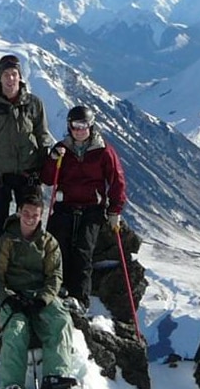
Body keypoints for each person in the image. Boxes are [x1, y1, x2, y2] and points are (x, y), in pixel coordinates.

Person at [0, 54, 54, 270]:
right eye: (6, 75)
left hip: (29, 173)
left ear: (20, 76)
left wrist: (48, 166)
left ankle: (31, 268)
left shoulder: (34, 104)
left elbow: (42, 134)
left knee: (31, 223)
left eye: (14, 74)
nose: (10, 79)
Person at [41, 105, 126, 312]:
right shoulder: (62, 149)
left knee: (83, 250)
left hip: (91, 208)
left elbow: (117, 180)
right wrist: (53, 160)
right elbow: (47, 178)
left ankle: (79, 298)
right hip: (65, 205)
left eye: (84, 125)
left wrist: (115, 210)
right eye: (75, 125)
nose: (79, 130)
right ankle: (57, 288)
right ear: (69, 126)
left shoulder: (103, 150)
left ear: (91, 125)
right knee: (57, 246)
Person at [0, 194, 77, 389]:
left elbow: (55, 275)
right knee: (16, 328)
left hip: (39, 294)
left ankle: (56, 376)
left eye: (35, 215)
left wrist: (43, 299)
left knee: (61, 321)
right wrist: (6, 298)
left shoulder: (48, 243)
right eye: (26, 213)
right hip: (13, 295)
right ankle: (12, 384)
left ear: (41, 216)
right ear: (19, 212)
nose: (29, 218)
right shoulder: (7, 240)